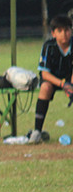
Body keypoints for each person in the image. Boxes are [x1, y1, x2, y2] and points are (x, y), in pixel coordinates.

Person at [29, 15, 73, 144]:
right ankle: (37, 131)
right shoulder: (48, 46)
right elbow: (45, 74)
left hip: (69, 79)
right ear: (53, 33)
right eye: (59, 31)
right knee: (45, 88)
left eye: (67, 30)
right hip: (53, 80)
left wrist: (70, 85)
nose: (64, 34)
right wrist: (63, 84)